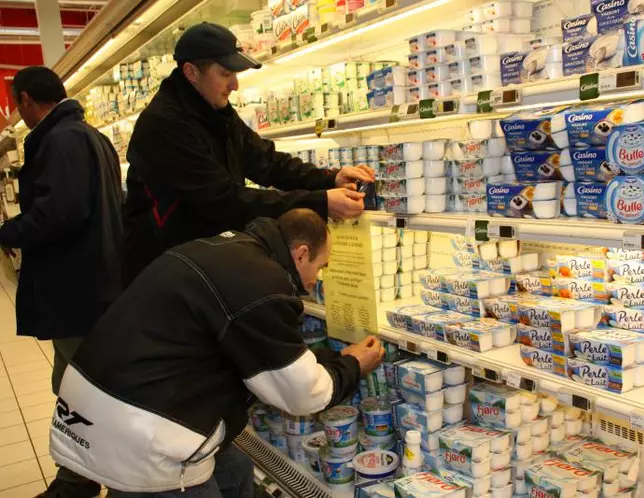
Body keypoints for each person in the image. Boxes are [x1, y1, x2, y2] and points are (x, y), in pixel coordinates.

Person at [50, 208, 384, 496]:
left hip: (95, 396)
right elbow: (304, 395)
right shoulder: (263, 286)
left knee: (235, 468)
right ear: (299, 254)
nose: (318, 279)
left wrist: (336, 360)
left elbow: (255, 352)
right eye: (321, 266)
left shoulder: (228, 250)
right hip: (139, 430)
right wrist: (354, 365)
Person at [123, 22, 373, 285]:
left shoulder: (215, 111)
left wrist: (329, 179)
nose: (235, 84)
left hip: (203, 259)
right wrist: (320, 202)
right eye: (225, 73)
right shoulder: (164, 124)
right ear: (191, 72)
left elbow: (266, 161)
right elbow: (223, 201)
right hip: (167, 271)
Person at [0, 67, 123, 498]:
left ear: (28, 100)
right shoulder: (89, 136)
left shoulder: (63, 140)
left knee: (85, 392)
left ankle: (90, 481)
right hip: (90, 286)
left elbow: (60, 214)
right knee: (73, 387)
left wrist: (8, 233)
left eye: (18, 102)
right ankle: (79, 477)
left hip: (76, 290)